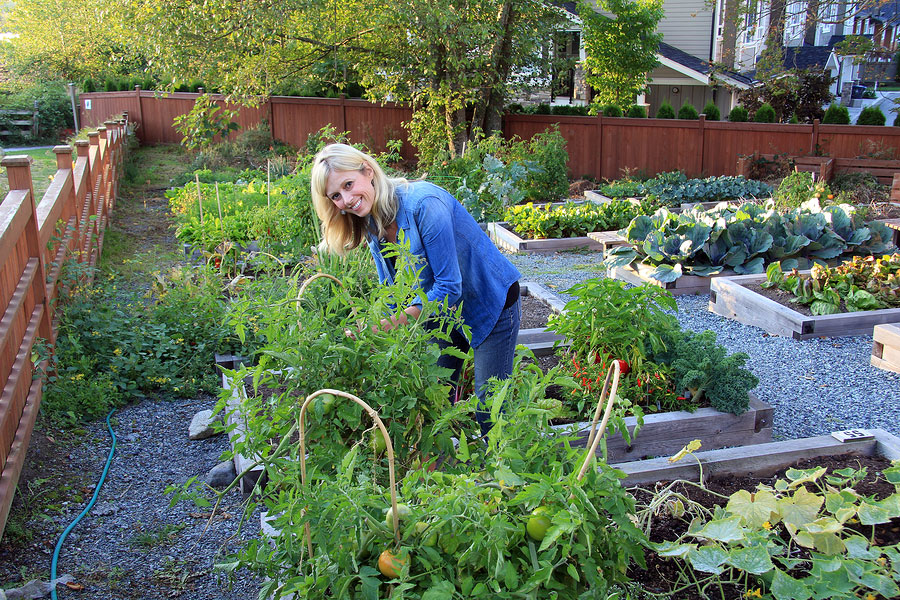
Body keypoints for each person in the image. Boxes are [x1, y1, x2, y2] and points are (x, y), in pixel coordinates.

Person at [310, 143, 521, 436]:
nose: (346, 200)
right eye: (336, 195)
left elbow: (449, 286)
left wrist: (391, 325)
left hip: (488, 301)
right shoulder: (373, 222)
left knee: (490, 411)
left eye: (348, 185)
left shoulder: (424, 205)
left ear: (368, 171)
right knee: (434, 403)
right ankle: (447, 477)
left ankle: (504, 471)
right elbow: (393, 290)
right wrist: (373, 329)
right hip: (442, 315)